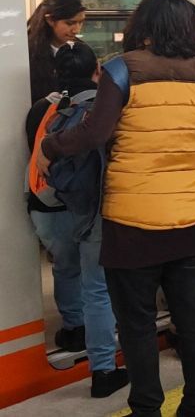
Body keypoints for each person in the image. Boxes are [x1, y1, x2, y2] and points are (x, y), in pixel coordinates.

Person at [39, 0, 195, 417]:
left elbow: (93, 133)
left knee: (138, 322)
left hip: (134, 223)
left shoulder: (124, 70)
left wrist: (51, 146)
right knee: (194, 317)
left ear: (143, 26)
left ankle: (147, 408)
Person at [26, 42, 128, 398]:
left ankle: (72, 328)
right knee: (98, 287)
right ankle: (103, 367)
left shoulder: (41, 107)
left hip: (48, 204)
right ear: (97, 70)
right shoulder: (104, 105)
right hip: (92, 206)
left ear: (56, 72)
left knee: (65, 270)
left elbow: (34, 152)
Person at [27, 0, 87, 103]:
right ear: (50, 20)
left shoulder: (81, 50)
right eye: (70, 23)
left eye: (81, 22)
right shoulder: (30, 54)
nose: (77, 30)